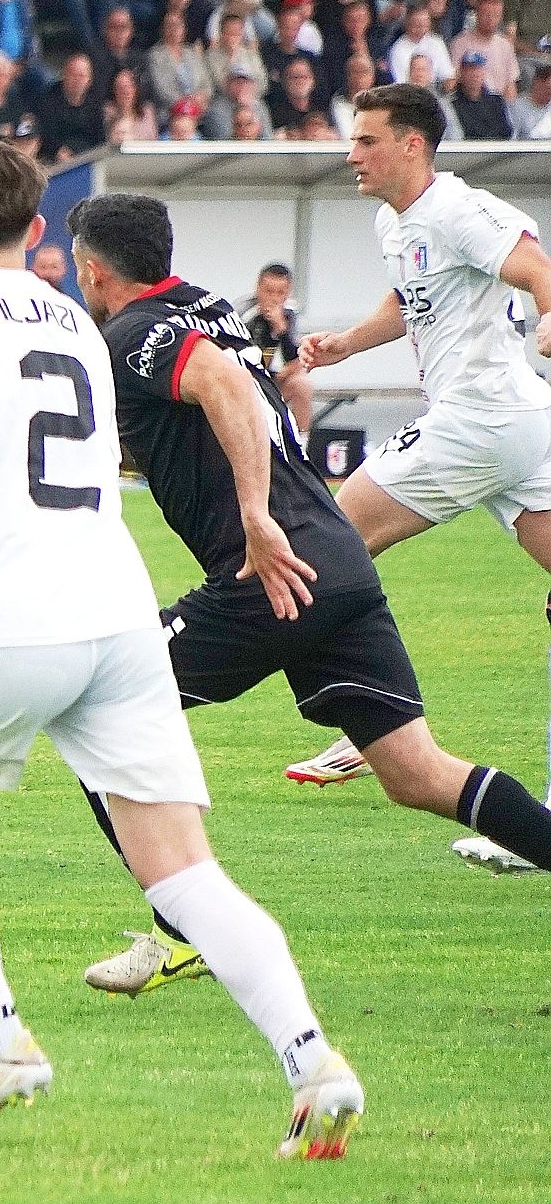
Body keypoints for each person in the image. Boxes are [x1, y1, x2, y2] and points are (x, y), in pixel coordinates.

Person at [0, 125, 363, 1158]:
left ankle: (2, 1042)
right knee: (184, 872)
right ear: (37, 229)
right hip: (119, 615)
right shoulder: (79, 323)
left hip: (14, 620)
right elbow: (68, 475)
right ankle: (315, 1062)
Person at [55, 191, 551, 1006]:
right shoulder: (207, 308)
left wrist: (255, 516)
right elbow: (199, 418)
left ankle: (185, 929)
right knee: (417, 774)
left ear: (93, 270)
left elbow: (225, 390)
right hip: (339, 560)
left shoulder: (134, 333)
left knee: (97, 707)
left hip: (271, 573)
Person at [280, 85, 551, 870]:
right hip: (518, 428)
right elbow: (413, 299)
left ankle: (372, 726)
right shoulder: (394, 222)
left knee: (326, 543)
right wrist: (348, 343)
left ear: (412, 145)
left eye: (366, 140)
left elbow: (537, 268)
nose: (351, 155)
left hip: (479, 421)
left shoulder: (458, 208)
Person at [241, 262, 309, 433]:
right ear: (258, 288)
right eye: (269, 291)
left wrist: (281, 329)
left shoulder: (289, 314)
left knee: (302, 383)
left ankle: (302, 440)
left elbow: (296, 359)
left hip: (271, 377)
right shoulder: (245, 313)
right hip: (245, 377)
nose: (274, 299)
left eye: (280, 293)